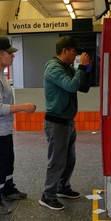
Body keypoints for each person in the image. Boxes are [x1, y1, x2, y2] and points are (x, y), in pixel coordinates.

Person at [0, 35, 36, 214]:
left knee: (7, 162)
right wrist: (23, 107)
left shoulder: (0, 75)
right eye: (9, 53)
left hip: (3, 129)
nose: (12, 56)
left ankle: (7, 189)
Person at [40, 36, 92, 211]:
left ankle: (63, 187)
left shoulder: (67, 67)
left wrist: (87, 69)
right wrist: (82, 67)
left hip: (68, 121)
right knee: (57, 161)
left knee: (69, 159)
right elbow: (71, 86)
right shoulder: (53, 68)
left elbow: (83, 87)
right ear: (64, 51)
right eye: (74, 51)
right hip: (56, 122)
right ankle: (47, 195)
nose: (76, 54)